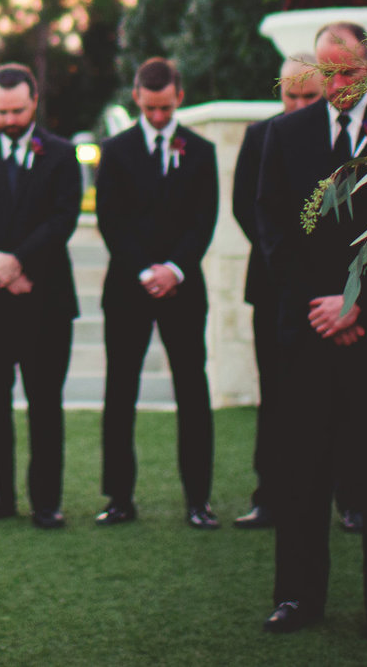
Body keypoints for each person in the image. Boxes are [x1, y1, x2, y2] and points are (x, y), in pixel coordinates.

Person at [253, 21, 367, 641]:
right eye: (326, 73)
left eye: (347, 72)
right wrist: (321, 306)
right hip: (307, 334)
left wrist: (358, 304)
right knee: (301, 469)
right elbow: (272, 232)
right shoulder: (284, 134)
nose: (336, 85)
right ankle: (298, 597)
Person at [94, 57, 221, 528]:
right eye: (150, 109)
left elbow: (203, 220)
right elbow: (111, 220)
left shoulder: (202, 152)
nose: (158, 117)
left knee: (192, 389)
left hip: (183, 289)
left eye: (166, 108)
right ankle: (119, 499)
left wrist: (173, 269)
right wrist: (144, 270)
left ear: (179, 98)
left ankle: (198, 500)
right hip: (127, 288)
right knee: (119, 392)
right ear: (137, 100)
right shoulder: (117, 149)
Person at [0, 63, 83, 530]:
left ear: (34, 103)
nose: (10, 119)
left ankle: (46, 502)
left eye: (17, 110)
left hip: (46, 299)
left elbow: (64, 218)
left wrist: (20, 262)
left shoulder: (60, 154)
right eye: (1, 111)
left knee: (44, 403)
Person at [229, 54, 326, 530]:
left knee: (335, 397)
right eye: (291, 95)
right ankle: (269, 495)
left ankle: (348, 498)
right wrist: (283, 258)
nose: (298, 105)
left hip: (329, 290)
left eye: (309, 96)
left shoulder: (332, 137)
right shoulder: (259, 135)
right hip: (271, 286)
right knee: (276, 393)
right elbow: (247, 209)